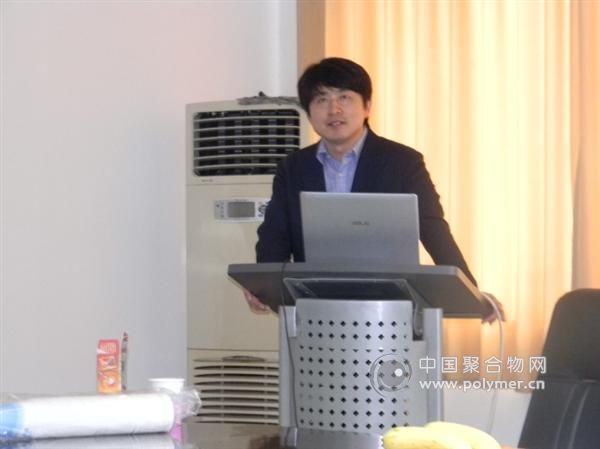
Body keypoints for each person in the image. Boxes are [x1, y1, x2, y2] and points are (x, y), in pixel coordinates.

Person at [244, 57, 503, 323]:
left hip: (391, 311)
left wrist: (471, 292)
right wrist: (264, 287)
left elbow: (433, 228)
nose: (333, 109)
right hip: (316, 313)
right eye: (321, 99)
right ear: (309, 113)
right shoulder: (293, 168)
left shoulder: (403, 162)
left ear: (367, 106)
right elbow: (275, 235)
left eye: (344, 97)